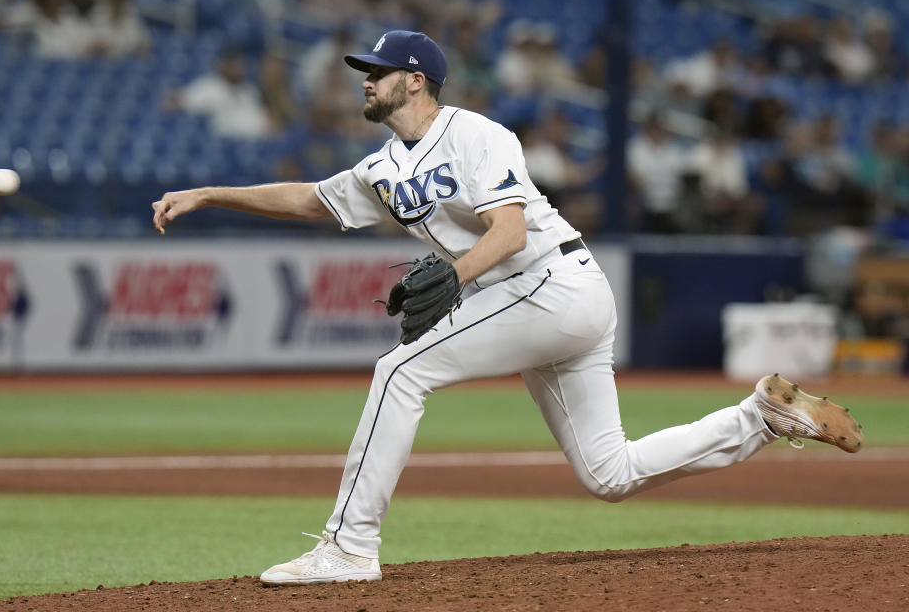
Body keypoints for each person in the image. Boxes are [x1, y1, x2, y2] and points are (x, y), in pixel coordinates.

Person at [151, 30, 863, 586]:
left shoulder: (474, 134)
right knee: (608, 475)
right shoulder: (382, 166)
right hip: (543, 301)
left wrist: (456, 277)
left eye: (377, 71)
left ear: (415, 80)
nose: (366, 81)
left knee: (400, 372)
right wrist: (212, 194)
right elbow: (311, 198)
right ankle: (758, 417)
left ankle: (348, 548)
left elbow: (512, 230)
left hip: (551, 285)